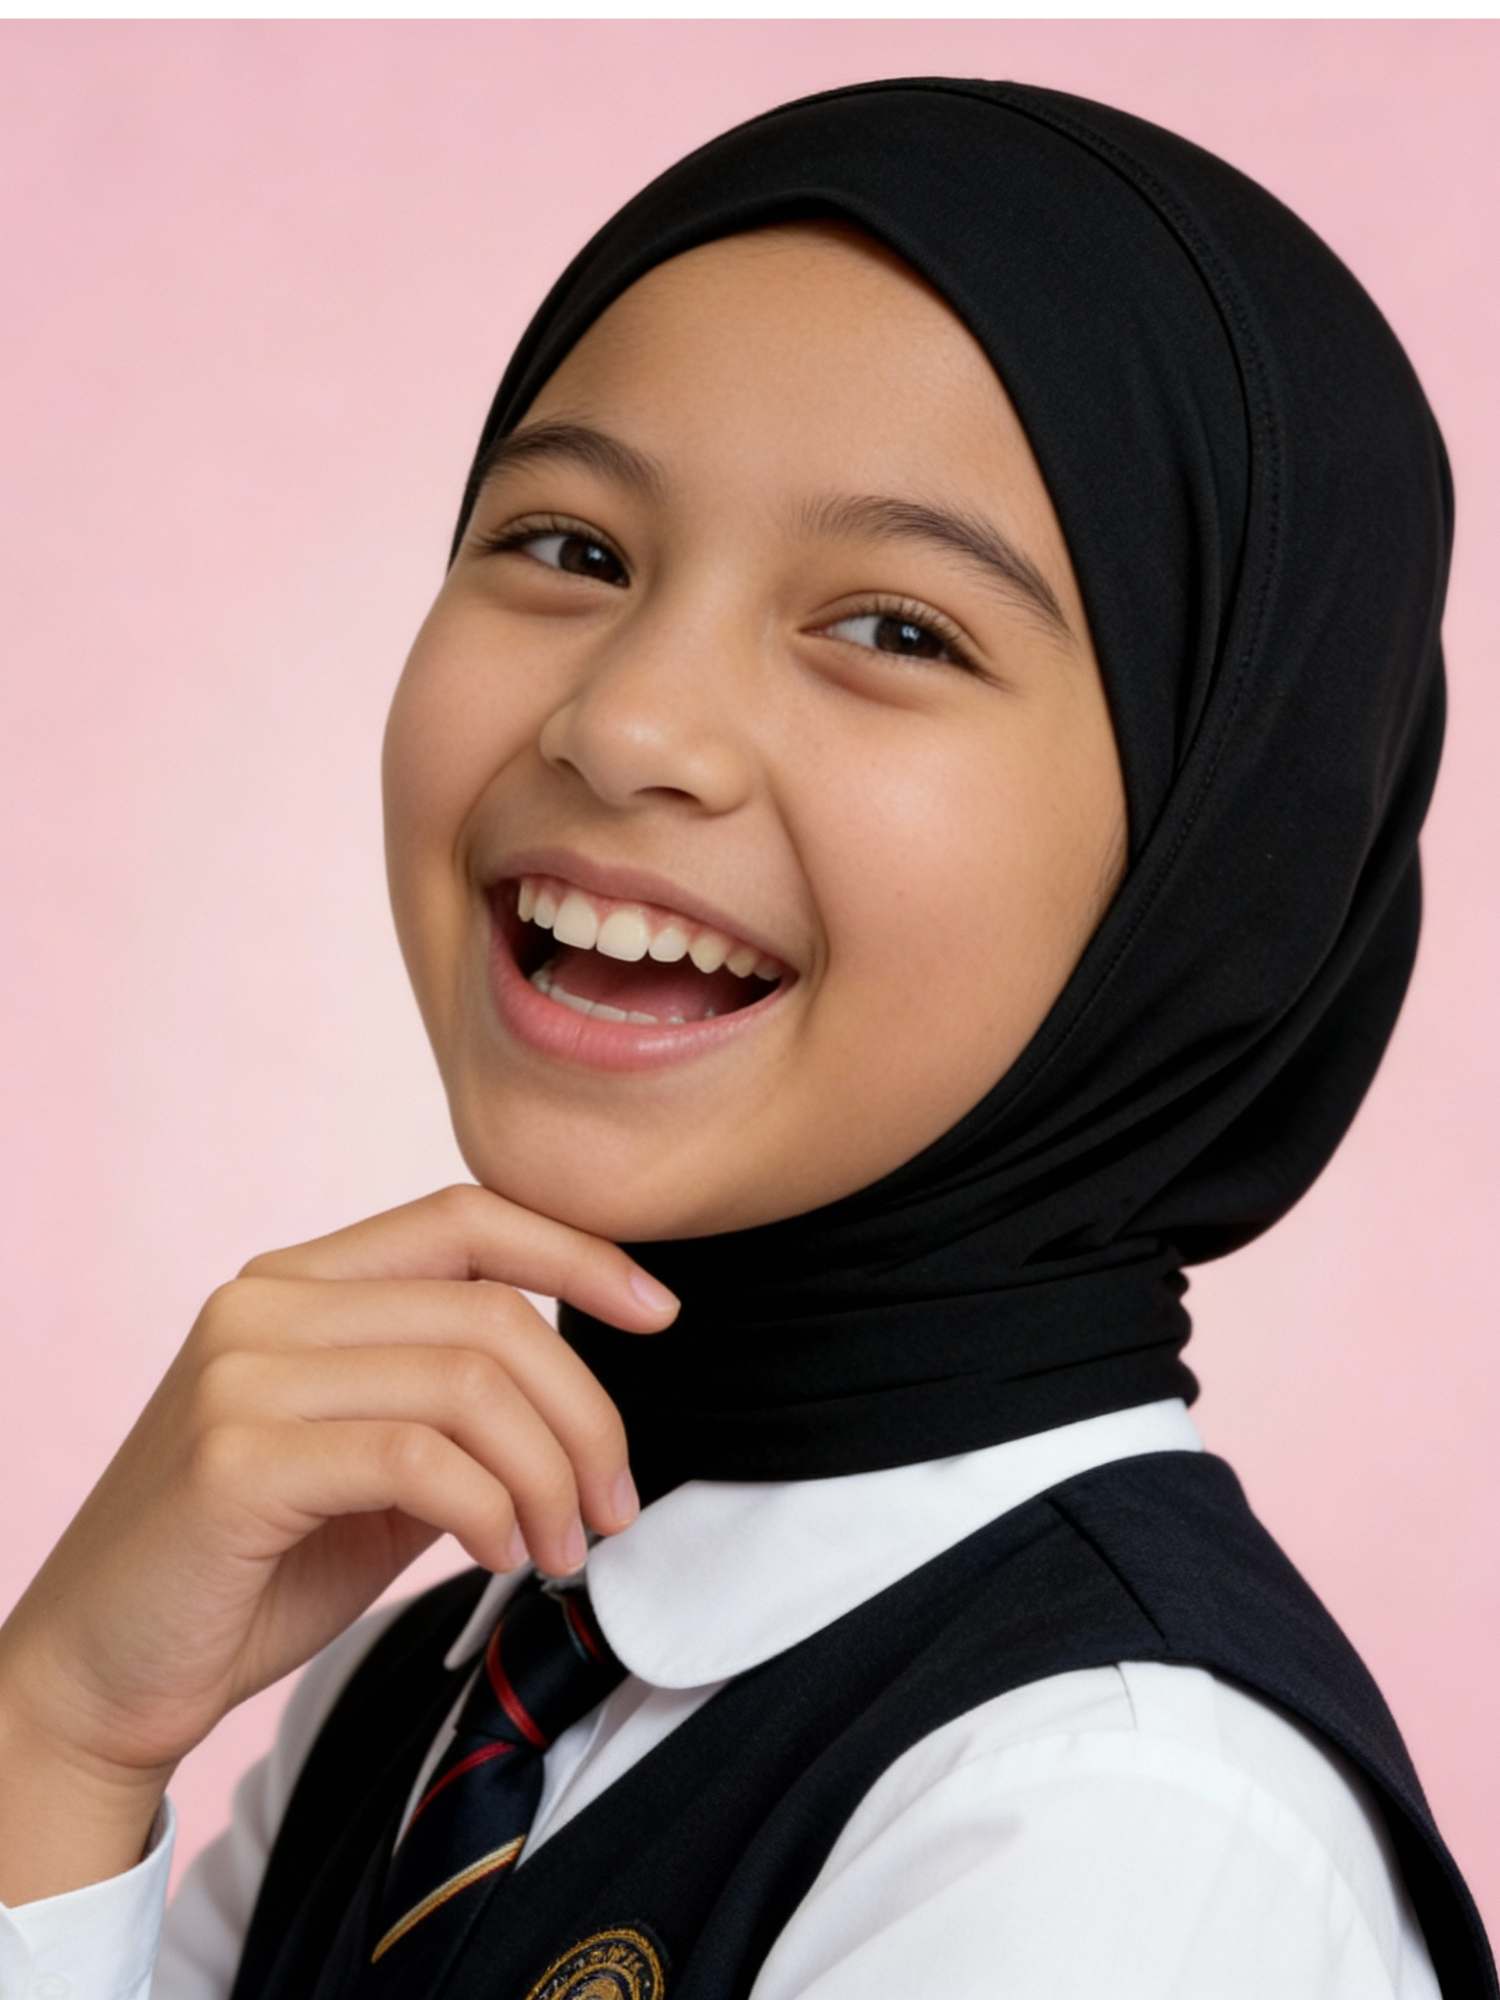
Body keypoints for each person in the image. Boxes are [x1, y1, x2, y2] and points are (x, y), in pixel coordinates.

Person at [0, 72, 1492, 2000]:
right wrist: (58, 1736)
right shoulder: (432, 1699)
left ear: (1210, 861)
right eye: (570, 546)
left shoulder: (1113, 1826)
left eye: (895, 631)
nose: (630, 726)